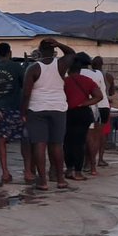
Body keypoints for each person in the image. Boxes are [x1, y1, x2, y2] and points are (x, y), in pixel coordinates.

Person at [22, 38, 75, 191]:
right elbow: (72, 53)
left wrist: (23, 111)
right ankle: (60, 180)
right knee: (57, 145)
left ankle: (43, 181)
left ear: (39, 51)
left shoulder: (33, 68)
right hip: (58, 108)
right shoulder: (61, 65)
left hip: (37, 108)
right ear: (54, 51)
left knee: (39, 144)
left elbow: (26, 93)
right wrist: (59, 44)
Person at [63, 60, 103, 181]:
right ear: (80, 70)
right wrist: (85, 103)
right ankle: (78, 171)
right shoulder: (87, 81)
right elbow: (99, 96)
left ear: (69, 70)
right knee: (79, 143)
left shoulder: (65, 82)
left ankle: (69, 169)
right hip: (83, 113)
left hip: (68, 113)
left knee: (67, 142)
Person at [0, 43, 26, 185]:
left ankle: (5, 172)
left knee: (1, 140)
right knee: (25, 138)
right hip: (16, 108)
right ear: (9, 53)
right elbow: (25, 85)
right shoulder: (17, 67)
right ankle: (28, 171)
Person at [90, 56, 112, 168]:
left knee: (91, 135)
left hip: (92, 104)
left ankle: (90, 161)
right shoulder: (108, 75)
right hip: (104, 104)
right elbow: (112, 91)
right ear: (102, 64)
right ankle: (100, 159)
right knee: (102, 134)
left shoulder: (88, 74)